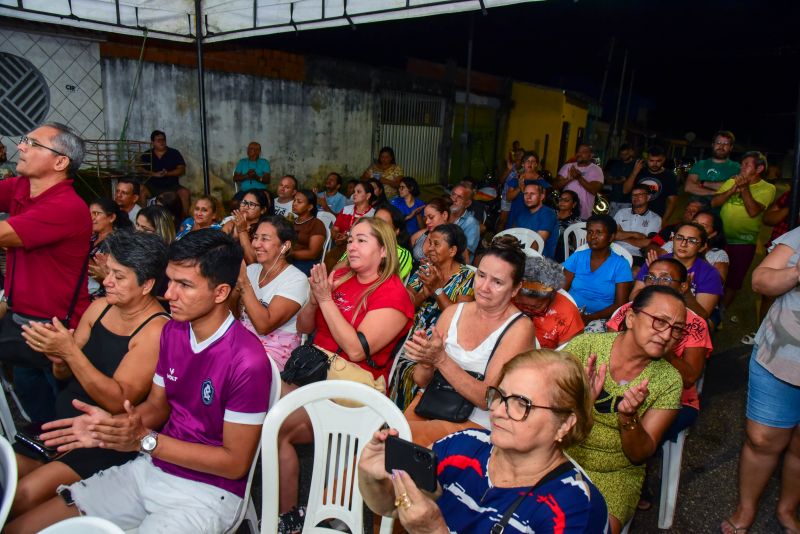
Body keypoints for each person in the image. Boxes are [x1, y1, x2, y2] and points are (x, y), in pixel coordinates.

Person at [33, 229, 272, 533]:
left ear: (221, 292)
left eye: (184, 285)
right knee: (30, 526)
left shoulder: (247, 361)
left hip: (206, 492)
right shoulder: (173, 332)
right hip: (151, 469)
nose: (169, 293)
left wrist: (145, 440)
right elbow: (158, 406)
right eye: (170, 280)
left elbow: (235, 463)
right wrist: (111, 428)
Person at [5, 231, 169, 531]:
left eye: (119, 277)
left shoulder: (156, 330)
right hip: (59, 426)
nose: (107, 282)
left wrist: (70, 352)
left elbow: (118, 401)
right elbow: (64, 374)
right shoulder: (100, 307)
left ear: (146, 285)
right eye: (109, 273)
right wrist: (59, 359)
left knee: (17, 500)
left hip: (100, 442)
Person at [360, 350, 610, 533]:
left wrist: (435, 531)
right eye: (500, 395)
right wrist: (372, 477)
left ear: (565, 424)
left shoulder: (573, 508)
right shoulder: (463, 446)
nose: (499, 411)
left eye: (521, 403)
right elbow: (391, 506)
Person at [279, 218, 414, 531]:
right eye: (351, 239)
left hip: (355, 384)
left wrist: (326, 300)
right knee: (269, 423)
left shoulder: (393, 295)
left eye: (362, 241)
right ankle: (290, 513)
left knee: (276, 415)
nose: (351, 246)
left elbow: (356, 350)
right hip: (317, 372)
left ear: (383, 251)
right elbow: (304, 327)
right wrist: (314, 300)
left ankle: (316, 514)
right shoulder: (340, 276)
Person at [565, 285, 685, 532]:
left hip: (614, 475)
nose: (666, 336)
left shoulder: (669, 380)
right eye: (660, 322)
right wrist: (580, 402)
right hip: (559, 451)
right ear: (631, 318)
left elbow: (639, 455)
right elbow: (540, 410)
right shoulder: (586, 348)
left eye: (676, 330)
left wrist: (628, 418)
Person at [402, 236, 536, 445]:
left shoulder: (519, 328)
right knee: (383, 441)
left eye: (498, 282)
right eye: (481, 275)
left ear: (516, 289)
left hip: (475, 423)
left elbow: (487, 399)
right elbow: (420, 380)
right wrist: (426, 360)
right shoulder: (453, 313)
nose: (484, 287)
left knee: (396, 448)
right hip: (431, 406)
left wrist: (440, 360)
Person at [0, 123, 92, 422]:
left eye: (32, 143)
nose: (21, 147)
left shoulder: (67, 206)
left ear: (60, 161)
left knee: (66, 421)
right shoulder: (22, 188)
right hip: (23, 324)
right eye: (25, 140)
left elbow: (4, 234)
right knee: (37, 419)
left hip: (59, 333)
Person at [606, 257, 712, 511]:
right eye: (650, 277)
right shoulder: (628, 311)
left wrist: (660, 340)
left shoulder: (694, 324)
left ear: (683, 286)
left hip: (676, 400)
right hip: (623, 386)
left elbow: (689, 378)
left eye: (665, 279)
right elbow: (611, 356)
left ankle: (627, 483)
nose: (655, 283)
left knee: (632, 426)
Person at [721, 225, 800, 534]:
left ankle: (786, 509)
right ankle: (746, 509)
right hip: (779, 359)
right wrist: (795, 274)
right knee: (763, 440)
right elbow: (760, 280)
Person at [390, 223, 475, 411]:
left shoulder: (466, 277)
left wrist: (437, 289)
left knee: (407, 367)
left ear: (452, 250)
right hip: (412, 333)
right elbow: (405, 305)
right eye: (429, 243)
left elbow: (458, 319)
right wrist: (424, 294)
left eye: (436, 244)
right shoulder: (425, 269)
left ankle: (409, 415)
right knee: (391, 359)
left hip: (442, 340)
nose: (429, 248)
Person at [231, 216, 308, 371]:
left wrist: (244, 284)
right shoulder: (251, 270)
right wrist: (233, 289)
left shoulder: (296, 280)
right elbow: (233, 314)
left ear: (284, 246)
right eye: (255, 238)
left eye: (265, 239)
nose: (256, 244)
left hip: (274, 352)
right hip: (242, 341)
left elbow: (264, 326)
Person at [711, 151, 776, 320]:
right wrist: (732, 189)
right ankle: (709, 305)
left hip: (743, 242)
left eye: (747, 164)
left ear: (759, 168)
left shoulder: (768, 188)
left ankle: (721, 311)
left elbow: (754, 211)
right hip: (720, 237)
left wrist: (745, 188)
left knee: (734, 280)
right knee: (713, 273)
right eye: (742, 164)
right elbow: (714, 202)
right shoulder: (732, 181)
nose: (742, 167)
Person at [634, 222, 723, 321]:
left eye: (692, 240)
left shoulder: (710, 273)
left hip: (684, 321)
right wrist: (654, 280)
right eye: (679, 238)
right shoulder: (656, 263)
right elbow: (633, 297)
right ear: (673, 239)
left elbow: (702, 316)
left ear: (702, 247)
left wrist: (686, 293)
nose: (683, 244)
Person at [563, 214, 633, 326]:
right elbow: (561, 291)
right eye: (590, 232)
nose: (593, 236)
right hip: (570, 311)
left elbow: (620, 305)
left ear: (611, 237)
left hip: (600, 319)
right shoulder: (577, 257)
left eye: (599, 232)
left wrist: (590, 318)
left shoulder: (620, 265)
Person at [514, 256, 584, 349]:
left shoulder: (568, 315)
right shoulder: (508, 295)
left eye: (534, 307)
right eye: (522, 305)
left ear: (552, 296)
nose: (526, 310)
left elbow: (570, 355)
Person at [87, 197, 133, 301]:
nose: (92, 218)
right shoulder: (91, 237)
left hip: (105, 297)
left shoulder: (118, 240)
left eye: (96, 213)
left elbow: (109, 272)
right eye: (90, 214)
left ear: (111, 217)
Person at [622, 145, 678, 222]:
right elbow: (625, 190)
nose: (654, 164)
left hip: (656, 218)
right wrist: (634, 173)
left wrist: (664, 220)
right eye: (651, 161)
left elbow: (672, 201)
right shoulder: (639, 171)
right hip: (634, 215)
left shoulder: (669, 176)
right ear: (646, 159)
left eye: (658, 161)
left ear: (664, 159)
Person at [139, 130, 189, 216]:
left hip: (171, 186)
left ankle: (184, 218)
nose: (161, 142)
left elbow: (181, 169)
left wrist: (167, 173)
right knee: (141, 189)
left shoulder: (174, 153)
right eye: (158, 140)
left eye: (163, 140)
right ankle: (143, 216)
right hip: (152, 186)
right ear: (152, 142)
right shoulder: (147, 154)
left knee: (184, 192)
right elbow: (139, 169)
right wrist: (153, 174)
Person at [327, 181, 376, 269]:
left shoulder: (373, 215)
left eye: (358, 192)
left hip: (360, 251)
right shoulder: (346, 209)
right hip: (341, 247)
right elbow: (335, 229)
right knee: (328, 259)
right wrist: (337, 236)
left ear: (368, 196)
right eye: (354, 191)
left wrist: (348, 239)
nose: (354, 194)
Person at [613, 183, 662, 267]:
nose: (636, 197)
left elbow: (648, 242)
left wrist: (623, 235)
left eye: (640, 195)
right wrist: (635, 234)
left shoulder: (655, 218)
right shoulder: (621, 213)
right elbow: (612, 234)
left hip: (636, 255)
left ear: (648, 197)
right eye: (633, 195)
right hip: (615, 251)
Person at [554, 144, 604, 220]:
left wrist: (579, 177)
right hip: (564, 215)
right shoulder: (567, 166)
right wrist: (569, 179)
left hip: (583, 215)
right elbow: (555, 186)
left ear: (591, 155)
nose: (579, 154)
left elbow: (594, 190)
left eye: (583, 152)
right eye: (578, 152)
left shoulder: (596, 170)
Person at [684, 130, 740, 197]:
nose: (721, 147)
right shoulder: (699, 164)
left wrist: (703, 183)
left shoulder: (737, 167)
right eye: (718, 143)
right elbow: (688, 187)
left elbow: (735, 188)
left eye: (726, 144)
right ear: (713, 145)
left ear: (731, 147)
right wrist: (718, 193)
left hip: (723, 207)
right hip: (697, 206)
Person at [511, 181, 559, 258]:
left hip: (540, 261)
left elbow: (538, 242)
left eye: (532, 194)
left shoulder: (548, 214)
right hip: (520, 256)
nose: (528, 197)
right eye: (526, 193)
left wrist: (521, 259)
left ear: (542, 197)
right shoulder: (522, 213)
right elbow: (512, 236)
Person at [506, 151, 551, 230]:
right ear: (523, 164)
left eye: (533, 161)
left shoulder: (540, 181)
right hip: (516, 212)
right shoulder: (516, 178)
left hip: (532, 215)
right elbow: (508, 198)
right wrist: (519, 188)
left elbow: (543, 201)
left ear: (536, 164)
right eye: (527, 161)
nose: (530, 163)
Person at [223, 189, 269, 265]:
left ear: (263, 210)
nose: (246, 207)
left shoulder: (264, 228)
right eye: (244, 203)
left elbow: (252, 262)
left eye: (252, 204)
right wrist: (233, 237)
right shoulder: (231, 223)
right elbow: (215, 249)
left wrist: (242, 231)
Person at [289, 189, 326, 276]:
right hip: (289, 259)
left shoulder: (316, 224)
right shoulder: (292, 222)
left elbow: (312, 253)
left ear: (310, 207)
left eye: (299, 202)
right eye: (294, 200)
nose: (294, 203)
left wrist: (287, 254)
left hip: (307, 263)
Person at [410, 197, 451, 262]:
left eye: (431, 217)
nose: (427, 222)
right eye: (425, 218)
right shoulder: (417, 236)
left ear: (444, 215)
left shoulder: (455, 239)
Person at [449, 184, 480, 262]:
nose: (454, 199)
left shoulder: (472, 224)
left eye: (460, 197)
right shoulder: (443, 215)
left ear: (467, 203)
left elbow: (464, 255)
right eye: (453, 194)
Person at [604, 143, 637, 215]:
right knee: (613, 222)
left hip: (629, 201)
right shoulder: (616, 164)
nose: (624, 156)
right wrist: (618, 181)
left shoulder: (636, 165)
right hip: (615, 199)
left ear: (631, 152)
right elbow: (608, 179)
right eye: (622, 154)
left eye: (626, 154)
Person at [554, 189, 582, 262]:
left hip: (565, 255)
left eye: (566, 200)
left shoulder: (576, 222)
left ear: (574, 204)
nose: (562, 202)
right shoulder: (551, 215)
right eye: (561, 199)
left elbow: (578, 244)